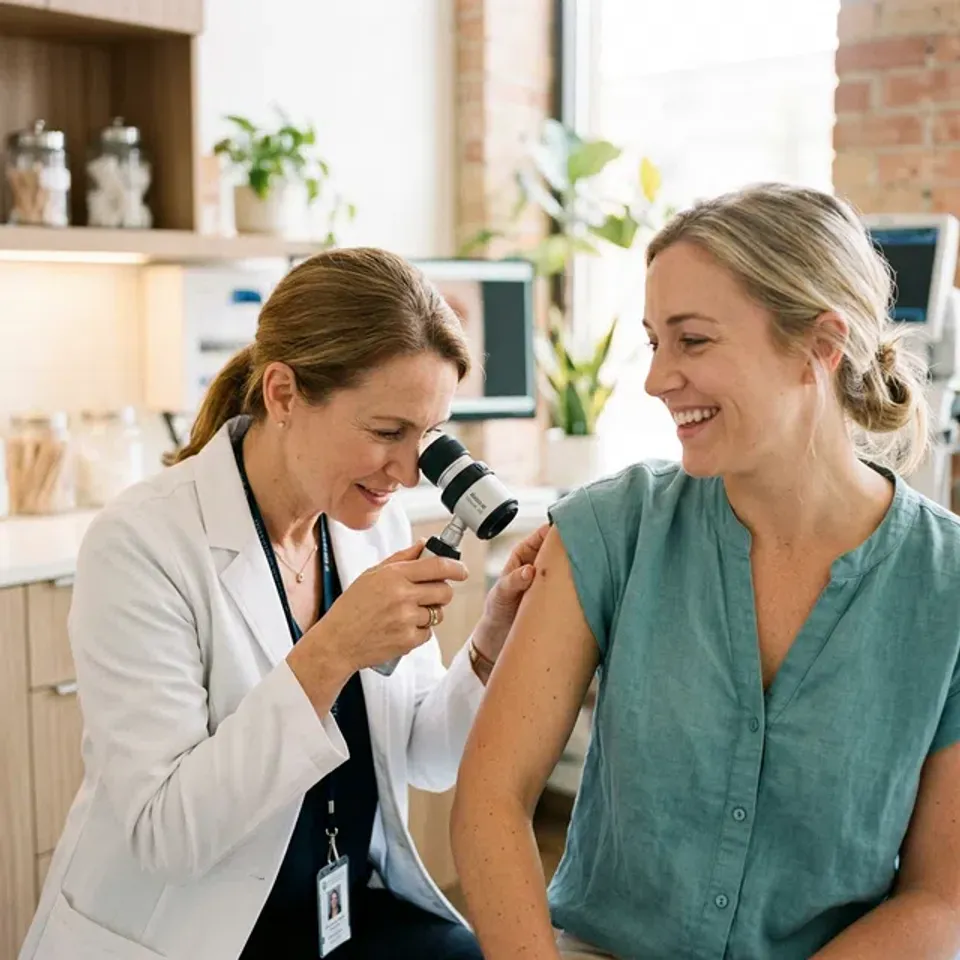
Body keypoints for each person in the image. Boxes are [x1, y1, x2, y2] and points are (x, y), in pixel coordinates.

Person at [452, 184, 960, 960]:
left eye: (692, 341)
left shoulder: (945, 587)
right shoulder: (611, 529)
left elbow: (940, 897)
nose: (657, 379)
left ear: (821, 346)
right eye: (654, 342)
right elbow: (492, 799)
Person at [19, 247, 547, 960]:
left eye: (426, 436)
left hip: (338, 912)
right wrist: (333, 650)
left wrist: (488, 641)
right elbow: (168, 836)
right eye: (386, 432)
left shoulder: (369, 522)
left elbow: (425, 757)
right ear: (284, 394)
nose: (406, 471)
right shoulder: (142, 543)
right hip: (198, 936)